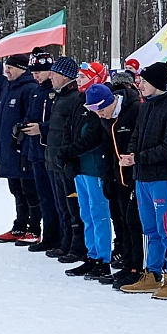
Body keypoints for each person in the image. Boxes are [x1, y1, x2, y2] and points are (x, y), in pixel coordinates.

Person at [121, 63, 167, 299]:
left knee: (166, 227)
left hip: (161, 177)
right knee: (150, 228)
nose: (140, 85)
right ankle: (152, 273)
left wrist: (138, 157)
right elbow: (135, 136)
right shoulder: (145, 107)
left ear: (157, 83)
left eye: (145, 82)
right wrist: (130, 156)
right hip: (142, 177)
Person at [86, 77, 145, 289]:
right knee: (121, 221)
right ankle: (128, 264)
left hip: (137, 176)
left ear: (110, 103)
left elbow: (142, 140)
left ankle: (139, 267)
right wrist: (108, 176)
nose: (100, 116)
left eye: (101, 111)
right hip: (117, 175)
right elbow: (107, 148)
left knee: (134, 221)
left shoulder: (134, 110)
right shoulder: (106, 118)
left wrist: (135, 161)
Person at [63, 83, 116, 280]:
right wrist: (69, 157)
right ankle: (92, 254)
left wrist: (69, 152)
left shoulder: (101, 115)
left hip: (95, 168)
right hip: (82, 168)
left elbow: (93, 138)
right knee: (86, 212)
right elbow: (72, 132)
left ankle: (103, 258)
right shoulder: (80, 106)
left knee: (98, 212)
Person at [0, 54, 42, 244]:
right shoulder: (8, 87)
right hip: (8, 150)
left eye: (11, 67)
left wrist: (23, 145)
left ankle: (34, 228)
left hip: (23, 151)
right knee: (16, 190)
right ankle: (20, 225)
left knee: (29, 190)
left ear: (21, 68)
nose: (6, 71)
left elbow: (29, 119)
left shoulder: (29, 89)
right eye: (6, 67)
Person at [43, 56, 89, 266]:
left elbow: (73, 131)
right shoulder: (60, 97)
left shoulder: (75, 99)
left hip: (67, 161)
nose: (50, 77)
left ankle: (78, 246)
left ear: (64, 76)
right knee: (62, 205)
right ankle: (66, 241)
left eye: (54, 73)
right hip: (55, 159)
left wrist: (67, 155)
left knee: (73, 207)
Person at [21, 53, 66, 258]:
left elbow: (60, 123)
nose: (36, 76)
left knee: (58, 199)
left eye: (39, 72)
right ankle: (48, 236)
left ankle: (60, 237)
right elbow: (31, 116)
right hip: (36, 151)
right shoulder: (36, 92)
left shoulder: (56, 94)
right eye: (34, 72)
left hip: (51, 150)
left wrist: (42, 129)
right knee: (44, 197)